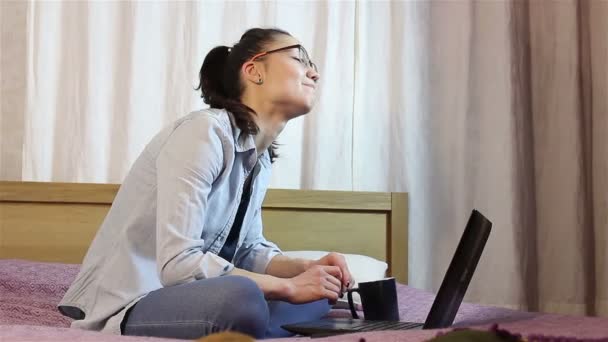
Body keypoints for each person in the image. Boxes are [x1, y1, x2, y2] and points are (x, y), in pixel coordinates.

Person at [58, 27, 353, 340]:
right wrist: (289, 288)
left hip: (204, 296)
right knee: (243, 298)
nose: (313, 73)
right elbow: (179, 264)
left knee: (321, 295)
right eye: (298, 58)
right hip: (138, 299)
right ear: (254, 70)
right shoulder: (203, 133)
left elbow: (249, 250)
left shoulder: (259, 157)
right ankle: (258, 323)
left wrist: (307, 270)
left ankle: (255, 325)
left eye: (314, 66)